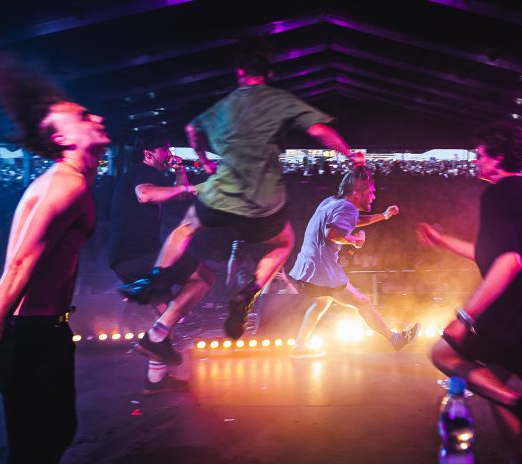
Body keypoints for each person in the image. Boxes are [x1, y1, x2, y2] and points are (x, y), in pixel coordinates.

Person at [120, 41, 364, 339]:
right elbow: (319, 130)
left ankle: (153, 279)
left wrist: (205, 162)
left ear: (239, 73)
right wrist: (350, 155)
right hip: (263, 200)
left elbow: (192, 130)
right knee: (284, 242)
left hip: (222, 192)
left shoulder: (226, 104)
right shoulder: (280, 100)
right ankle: (248, 294)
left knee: (186, 227)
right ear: (269, 74)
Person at [0, 53, 110, 464]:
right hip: (30, 335)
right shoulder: (66, 185)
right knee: (36, 450)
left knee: (54, 435)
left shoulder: (73, 180)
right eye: (83, 116)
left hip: (42, 331)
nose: (98, 117)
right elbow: (18, 267)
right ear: (61, 138)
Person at [418, 123, 522, 464]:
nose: (475, 161)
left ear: (498, 158)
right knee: (492, 382)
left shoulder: (498, 194)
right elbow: (490, 253)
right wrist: (444, 241)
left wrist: (464, 319)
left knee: (443, 352)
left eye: (480, 155)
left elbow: (508, 262)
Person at [108, 129, 215, 394]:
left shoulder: (151, 173)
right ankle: (153, 339)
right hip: (138, 257)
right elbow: (145, 194)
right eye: (164, 149)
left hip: (128, 259)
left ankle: (154, 381)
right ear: (149, 153)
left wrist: (180, 173)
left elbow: (181, 195)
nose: (169, 153)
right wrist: (189, 186)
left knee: (167, 317)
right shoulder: (141, 172)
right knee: (204, 277)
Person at [288, 168, 420, 357]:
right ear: (357, 194)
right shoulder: (347, 208)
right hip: (323, 271)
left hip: (307, 269)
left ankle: (300, 346)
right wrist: (353, 240)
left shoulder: (331, 202)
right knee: (362, 302)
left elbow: (352, 221)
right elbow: (331, 234)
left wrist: (383, 215)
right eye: (370, 192)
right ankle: (395, 339)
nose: (373, 196)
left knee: (321, 304)